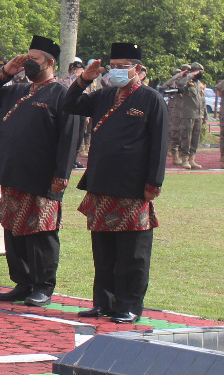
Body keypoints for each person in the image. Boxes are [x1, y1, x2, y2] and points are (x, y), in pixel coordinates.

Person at [63, 43, 167, 323]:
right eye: (114, 66)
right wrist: (84, 79)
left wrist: (154, 181)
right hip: (101, 182)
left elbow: (158, 143)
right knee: (104, 250)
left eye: (124, 66)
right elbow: (68, 104)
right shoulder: (104, 95)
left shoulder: (150, 98)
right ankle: (104, 303)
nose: (118, 71)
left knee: (132, 253)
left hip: (133, 187)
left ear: (139, 70)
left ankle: (129, 305)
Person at [0, 36, 83, 308]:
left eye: (34, 60)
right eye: (27, 58)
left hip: (42, 175)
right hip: (12, 172)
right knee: (13, 231)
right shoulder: (18, 89)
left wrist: (62, 173)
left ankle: (43, 285)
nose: (29, 64)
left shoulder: (61, 93)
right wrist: (4, 74)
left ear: (50, 63)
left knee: (41, 232)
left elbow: (69, 137)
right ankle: (23, 282)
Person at [163, 62, 207, 169]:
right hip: (188, 114)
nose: (199, 74)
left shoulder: (199, 84)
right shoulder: (186, 82)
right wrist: (189, 75)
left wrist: (204, 115)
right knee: (186, 137)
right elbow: (180, 84)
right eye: (198, 71)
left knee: (195, 138)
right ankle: (185, 159)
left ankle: (192, 158)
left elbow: (202, 100)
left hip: (199, 114)